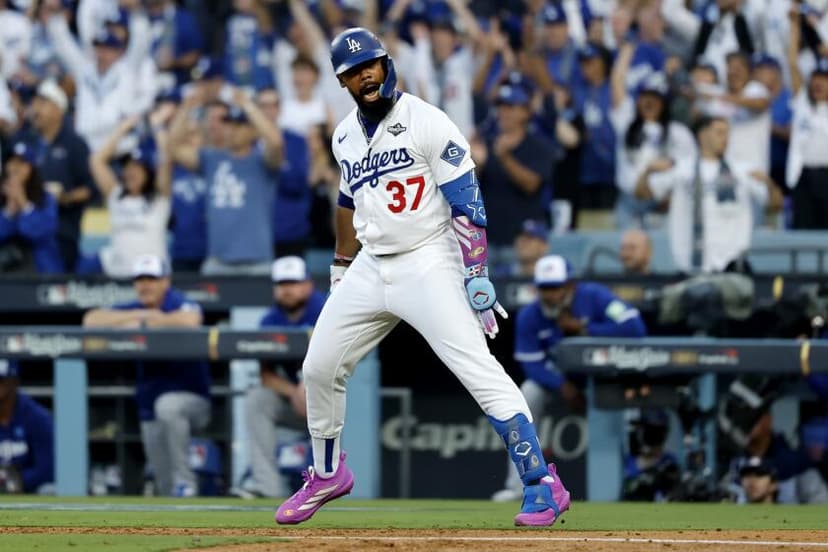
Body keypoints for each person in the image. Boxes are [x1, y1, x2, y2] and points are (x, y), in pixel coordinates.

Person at [275, 28, 570, 528]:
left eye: (370, 65)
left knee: (477, 369)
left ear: (386, 64)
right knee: (319, 366)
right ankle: (327, 474)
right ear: (342, 82)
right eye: (352, 72)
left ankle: (542, 483)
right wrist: (342, 266)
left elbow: (467, 199)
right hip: (372, 262)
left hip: (429, 257)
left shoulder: (428, 121)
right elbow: (347, 202)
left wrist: (475, 271)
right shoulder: (344, 135)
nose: (365, 76)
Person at [491, 254, 646, 501]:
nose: (550, 294)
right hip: (558, 381)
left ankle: (633, 478)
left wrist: (585, 329)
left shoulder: (594, 296)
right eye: (544, 288)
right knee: (527, 394)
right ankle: (518, 486)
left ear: (570, 285)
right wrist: (562, 385)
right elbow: (532, 364)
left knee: (630, 404)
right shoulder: (530, 315)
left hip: (602, 378)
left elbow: (634, 327)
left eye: (555, 287)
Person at [83, 254, 211, 497]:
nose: (145, 286)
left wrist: (150, 320)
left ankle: (186, 483)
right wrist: (142, 316)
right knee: (163, 484)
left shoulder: (178, 302)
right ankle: (175, 504)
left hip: (192, 401)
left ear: (165, 281)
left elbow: (191, 320)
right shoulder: (136, 307)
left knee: (168, 406)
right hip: (149, 404)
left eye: (151, 279)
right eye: (140, 280)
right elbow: (91, 319)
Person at [635, 116, 782, 274]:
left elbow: (775, 206)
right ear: (703, 135)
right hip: (689, 265)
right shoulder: (682, 168)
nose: (725, 138)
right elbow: (642, 194)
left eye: (727, 133)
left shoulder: (741, 170)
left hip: (732, 267)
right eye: (719, 132)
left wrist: (769, 183)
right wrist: (648, 171)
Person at [168, 85, 283, 275]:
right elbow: (173, 148)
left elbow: (276, 142)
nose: (232, 130)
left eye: (239, 125)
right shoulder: (211, 158)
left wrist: (248, 106)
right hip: (218, 261)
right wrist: (186, 108)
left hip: (258, 261)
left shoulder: (262, 162)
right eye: (228, 124)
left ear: (252, 131)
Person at [242, 256, 327, 498]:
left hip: (333, 395)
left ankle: (329, 485)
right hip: (297, 400)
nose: (287, 290)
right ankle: (268, 489)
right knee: (257, 399)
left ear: (308, 285)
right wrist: (293, 391)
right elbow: (266, 376)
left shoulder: (325, 309)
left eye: (293, 283)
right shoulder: (270, 319)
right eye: (282, 284)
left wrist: (309, 384)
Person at [83, 116, 171, 278]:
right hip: (119, 278)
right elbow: (96, 161)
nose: (131, 172)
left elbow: (166, 160)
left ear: (147, 172)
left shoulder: (159, 199)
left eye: (137, 167)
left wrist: (158, 129)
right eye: (127, 167)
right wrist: (122, 129)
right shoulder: (116, 196)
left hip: (152, 278)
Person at [473, 81, 555, 247]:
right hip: (487, 240)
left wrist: (505, 158)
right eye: (500, 106)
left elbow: (531, 185)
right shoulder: (485, 144)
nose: (503, 112)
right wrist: (475, 165)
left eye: (510, 107)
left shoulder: (538, 146)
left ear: (526, 112)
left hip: (522, 242)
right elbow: (469, 190)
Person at [29, 80, 94, 272]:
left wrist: (65, 197)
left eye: (43, 103)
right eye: (35, 102)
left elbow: (90, 189)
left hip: (62, 231)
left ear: (59, 109)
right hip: (26, 229)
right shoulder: (26, 141)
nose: (36, 109)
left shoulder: (75, 144)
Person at [785, 8, 828, 229]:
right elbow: (792, 62)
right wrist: (795, 26)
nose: (819, 83)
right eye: (816, 79)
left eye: (824, 79)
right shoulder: (803, 103)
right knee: (802, 232)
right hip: (803, 176)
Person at [0, 141, 63, 274]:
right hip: (6, 271)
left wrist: (23, 203)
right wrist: (9, 211)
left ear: (30, 168)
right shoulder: (3, 197)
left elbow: (41, 232)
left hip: (40, 271)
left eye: (21, 163)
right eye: (11, 162)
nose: (15, 168)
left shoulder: (45, 198)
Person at [0, 359, 54, 494]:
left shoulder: (37, 417)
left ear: (15, 382)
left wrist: (13, 481)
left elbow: (46, 469)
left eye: (1, 381)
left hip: (29, 490)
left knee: (49, 490)